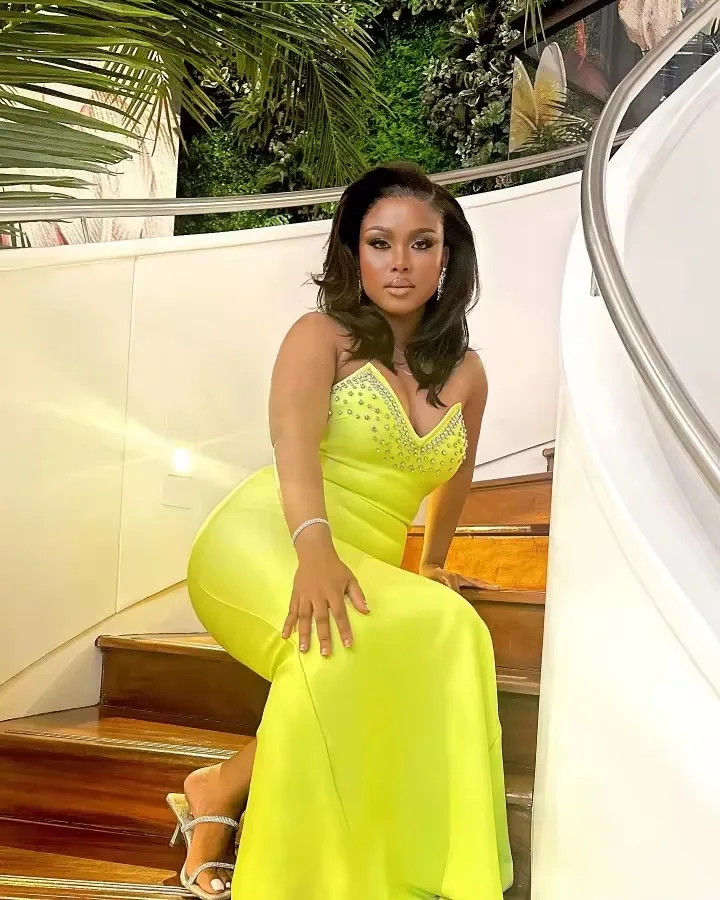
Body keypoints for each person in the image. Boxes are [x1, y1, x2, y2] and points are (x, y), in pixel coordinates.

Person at [168, 162, 513, 900]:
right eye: (380, 243)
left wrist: (433, 561)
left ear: (447, 258)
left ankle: (221, 790)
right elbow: (292, 445)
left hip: (370, 558)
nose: (400, 262)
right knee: (346, 650)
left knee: (442, 629)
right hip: (274, 534)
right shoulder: (320, 335)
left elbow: (455, 477)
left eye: (421, 244)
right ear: (354, 253)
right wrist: (315, 550)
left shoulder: (468, 373)